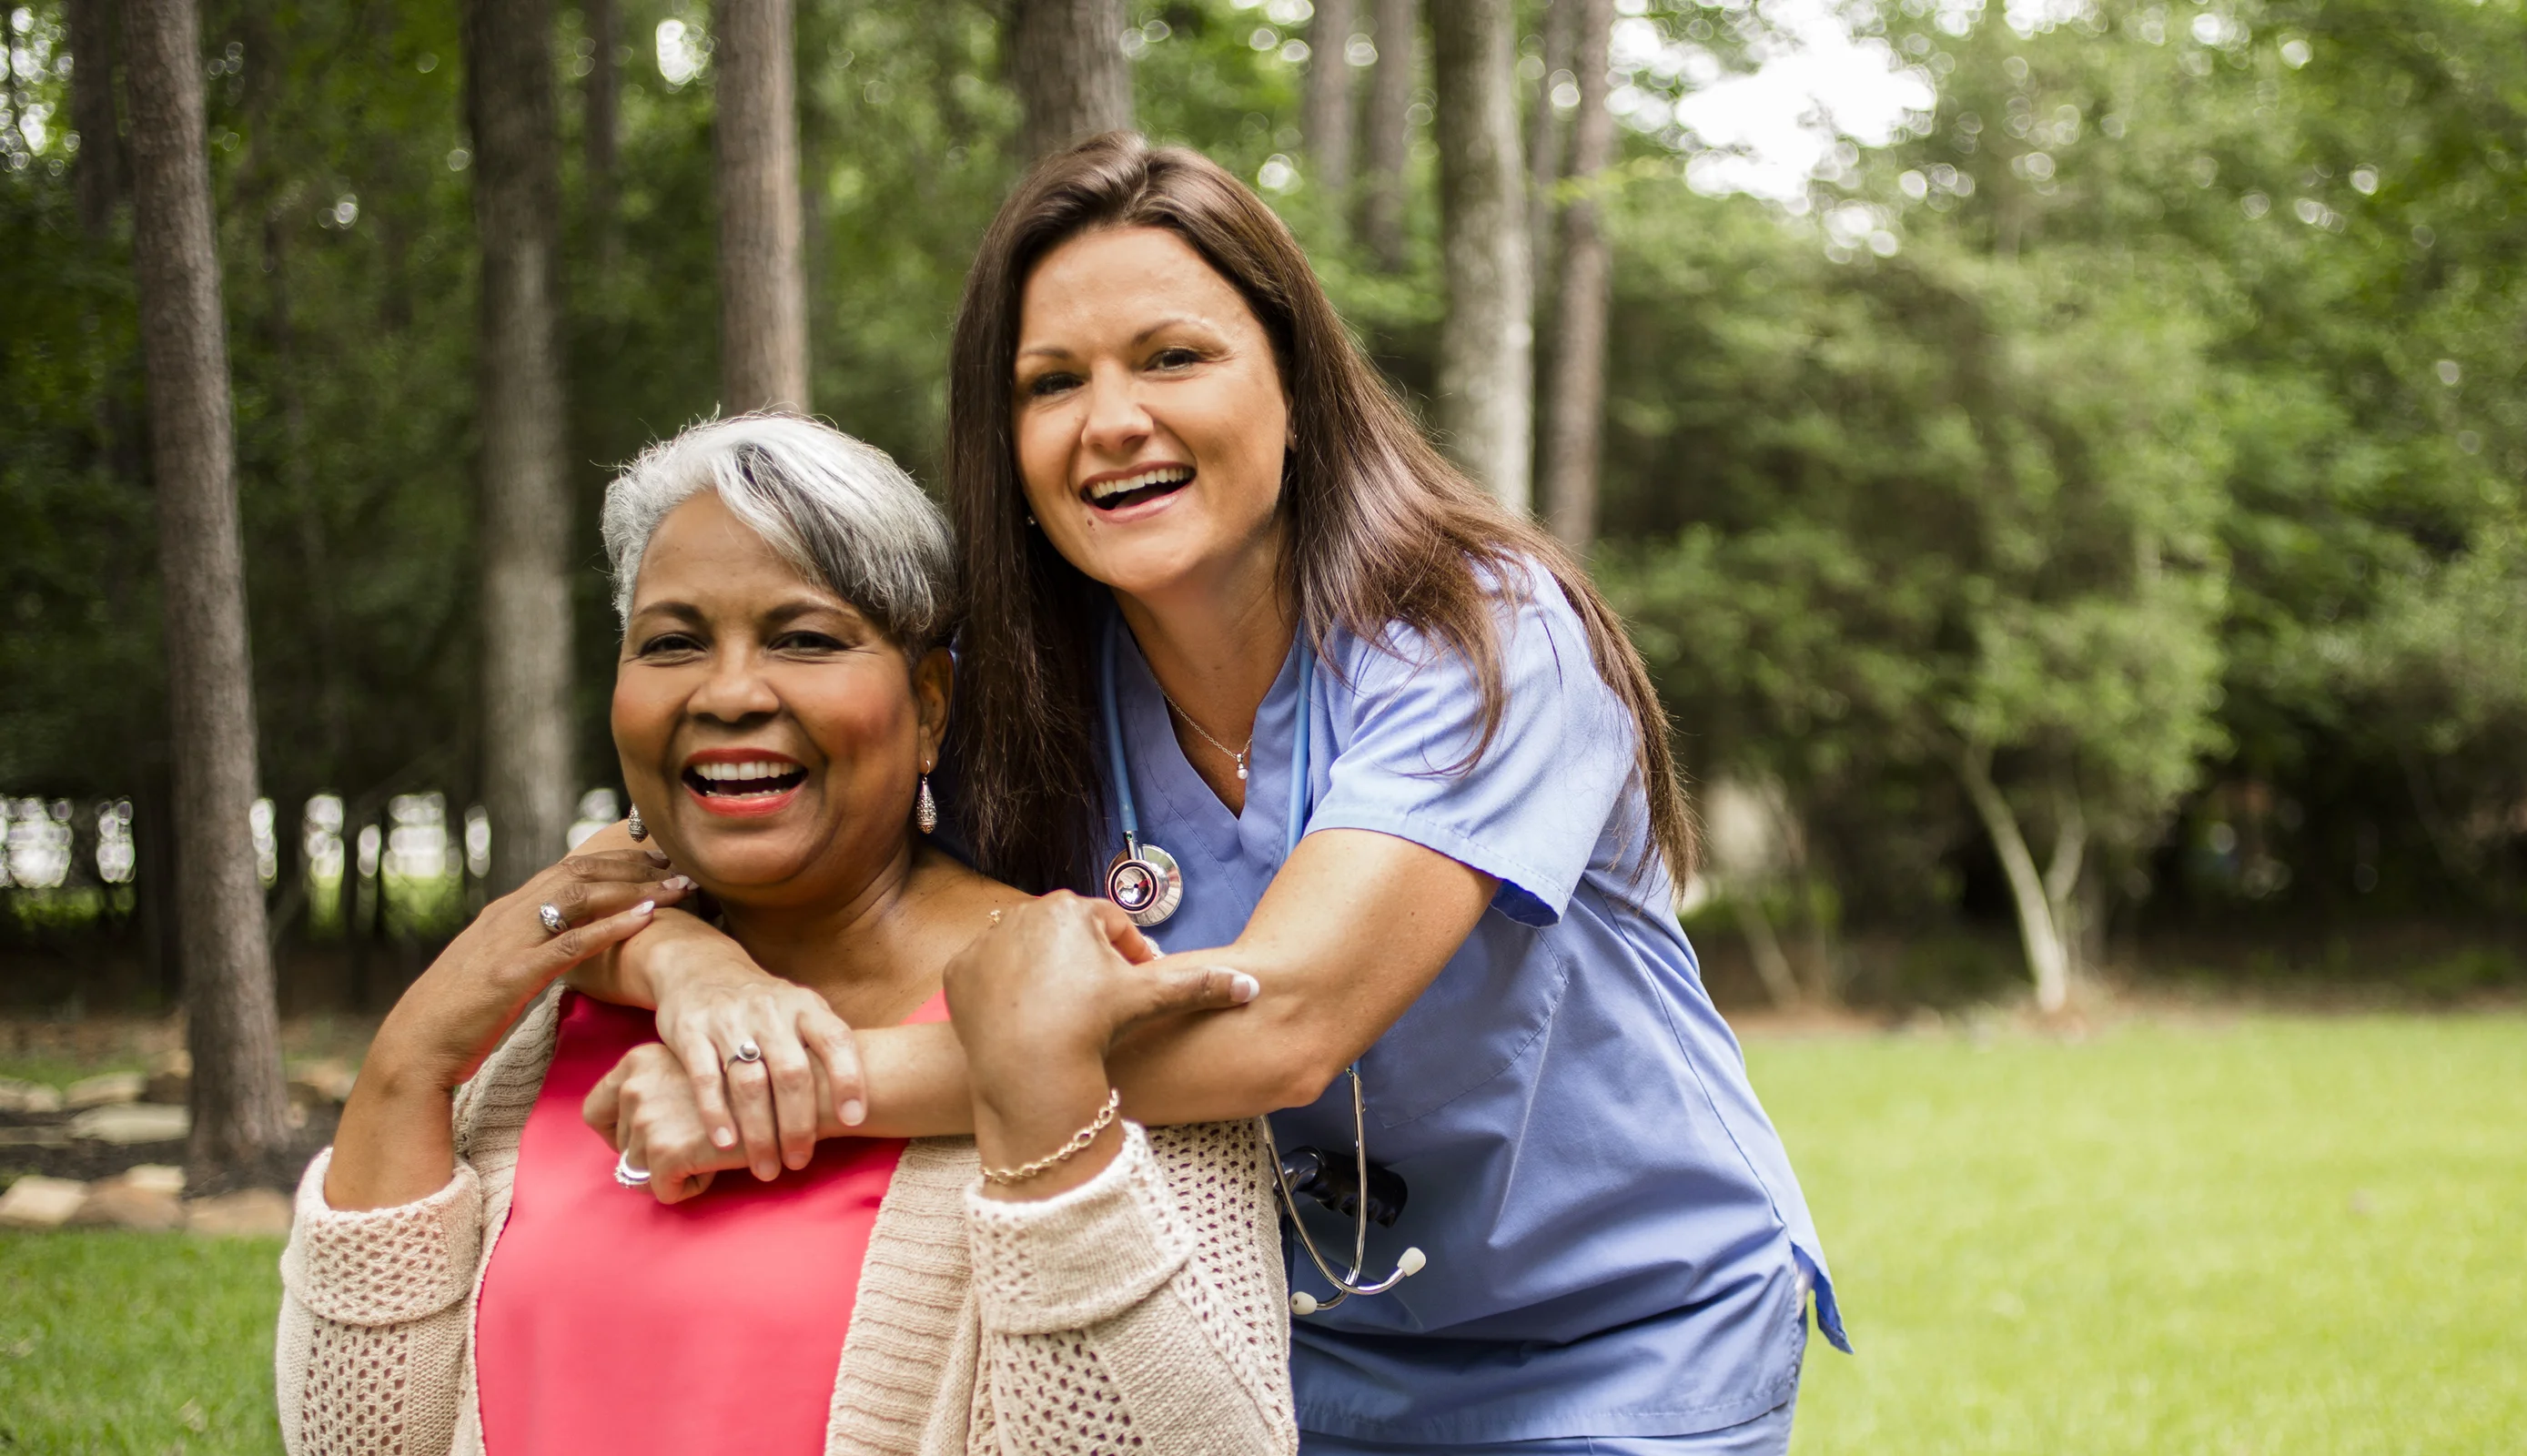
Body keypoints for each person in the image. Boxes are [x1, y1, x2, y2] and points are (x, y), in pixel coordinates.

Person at [587, 136, 1846, 1453]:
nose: (1112, 419)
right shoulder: (1019, 701)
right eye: (1052, 382)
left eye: (1173, 357)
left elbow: (1281, 1026)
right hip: (1277, 1344)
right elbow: (681, 856)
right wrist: (698, 978)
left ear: (1295, 383)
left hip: (1619, 1341)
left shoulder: (1487, 633)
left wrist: (789, 1093)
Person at [274, 413, 1298, 1454]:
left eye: (803, 638)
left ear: (930, 703)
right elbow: (353, 1440)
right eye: (672, 643)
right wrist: (408, 1061)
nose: (726, 694)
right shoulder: (546, 1009)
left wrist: (1042, 1104)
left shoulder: (1077, 992)